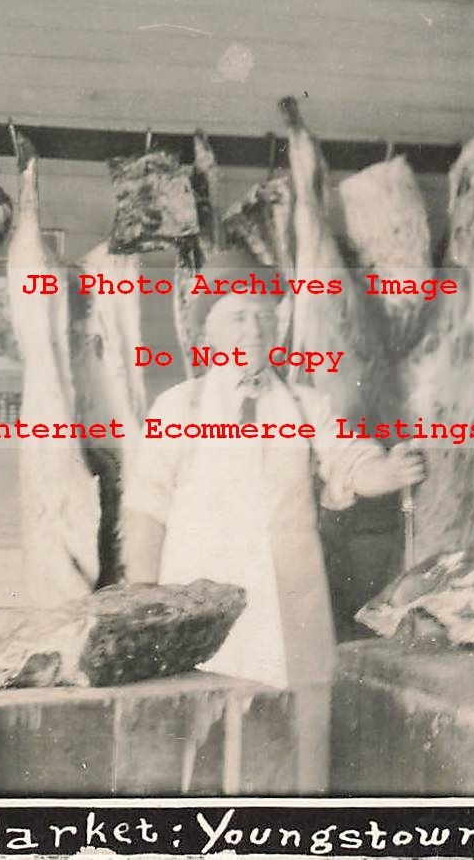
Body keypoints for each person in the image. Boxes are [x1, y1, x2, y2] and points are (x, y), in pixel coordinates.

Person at [121, 292, 425, 793]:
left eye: (264, 316)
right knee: (204, 746)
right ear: (207, 335)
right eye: (238, 317)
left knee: (300, 746)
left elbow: (347, 463)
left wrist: (387, 472)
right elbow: (145, 509)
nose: (254, 328)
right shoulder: (176, 407)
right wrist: (143, 596)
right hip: (201, 609)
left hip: (289, 605)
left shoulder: (306, 404)